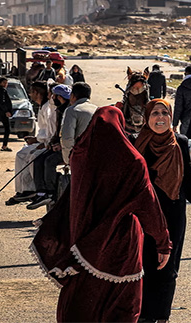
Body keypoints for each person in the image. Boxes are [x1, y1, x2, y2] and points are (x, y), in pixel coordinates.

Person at [30, 106, 172, 323]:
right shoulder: (132, 161)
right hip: (123, 242)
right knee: (123, 302)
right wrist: (163, 243)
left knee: (84, 297)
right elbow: (148, 205)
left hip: (84, 241)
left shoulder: (80, 155)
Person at [133, 99, 191, 323]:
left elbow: (189, 179)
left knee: (168, 269)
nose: (160, 117)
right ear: (147, 117)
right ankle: (144, 316)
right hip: (143, 216)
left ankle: (162, 316)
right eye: (155, 113)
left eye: (165, 113)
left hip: (172, 215)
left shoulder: (180, 142)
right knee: (143, 266)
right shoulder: (137, 144)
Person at [5, 82, 57, 206]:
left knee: (34, 155)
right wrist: (36, 139)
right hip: (43, 140)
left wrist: (41, 141)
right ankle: (25, 190)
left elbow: (52, 131)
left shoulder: (48, 109)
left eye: (31, 92)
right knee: (21, 154)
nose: (30, 94)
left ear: (37, 93)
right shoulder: (41, 107)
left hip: (48, 143)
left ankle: (38, 190)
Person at [61, 82, 98, 166]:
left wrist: (68, 159)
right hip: (96, 156)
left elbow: (67, 138)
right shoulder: (97, 109)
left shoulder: (72, 110)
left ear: (73, 96)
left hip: (79, 157)